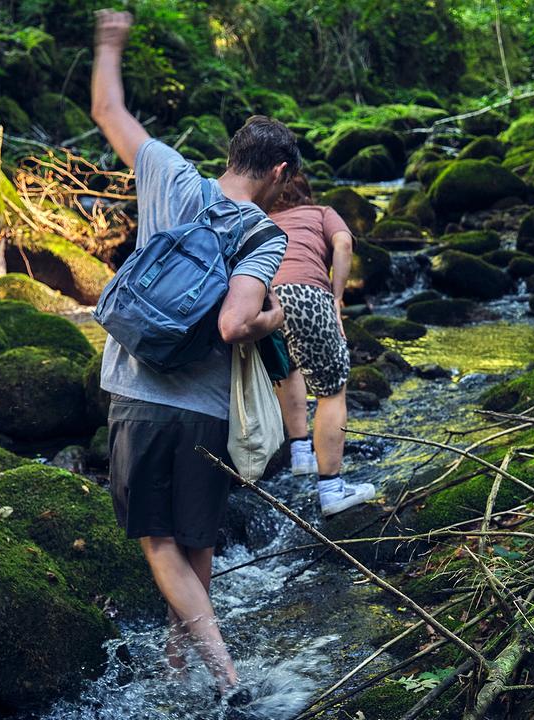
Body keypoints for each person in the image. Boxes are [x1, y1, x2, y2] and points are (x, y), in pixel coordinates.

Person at [90, 9, 299, 705]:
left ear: (229, 155)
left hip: (140, 396)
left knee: (160, 544)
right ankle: (225, 677)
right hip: (206, 410)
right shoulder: (263, 234)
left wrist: (110, 41)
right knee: (195, 542)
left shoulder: (169, 176)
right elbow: (238, 323)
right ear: (276, 172)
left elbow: (106, 107)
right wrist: (274, 315)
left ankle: (187, 673)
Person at [269, 174, 377, 516]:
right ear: (307, 195)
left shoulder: (263, 218)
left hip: (264, 298)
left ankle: (301, 452)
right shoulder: (321, 212)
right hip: (307, 293)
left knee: (288, 367)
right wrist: (337, 296)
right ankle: (332, 490)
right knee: (332, 392)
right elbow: (343, 244)